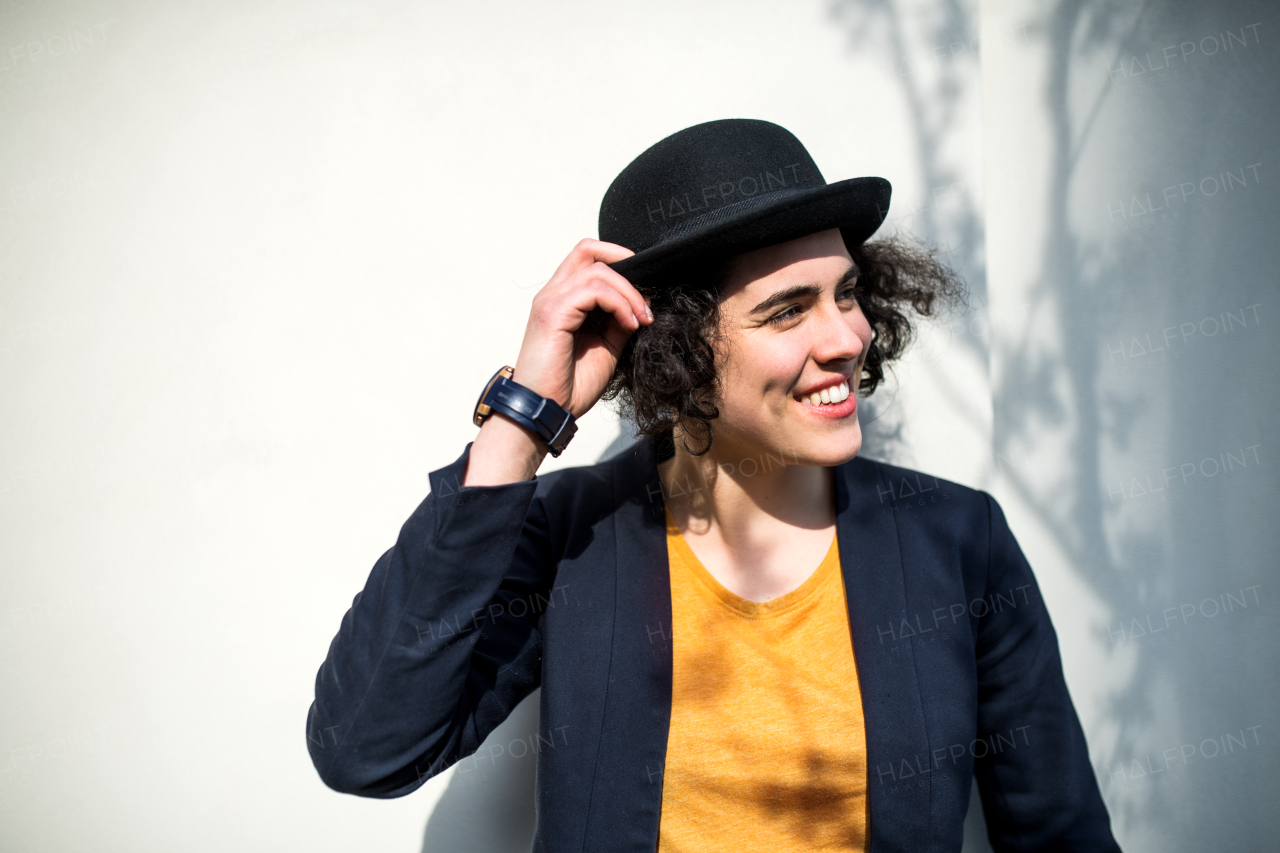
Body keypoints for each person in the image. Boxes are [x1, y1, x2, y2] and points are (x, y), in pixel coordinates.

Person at [306, 119, 1120, 852]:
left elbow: (1058, 831)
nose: (847, 338)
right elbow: (367, 748)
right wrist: (520, 422)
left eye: (845, 293)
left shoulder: (956, 541)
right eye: (787, 311)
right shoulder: (571, 539)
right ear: (678, 349)